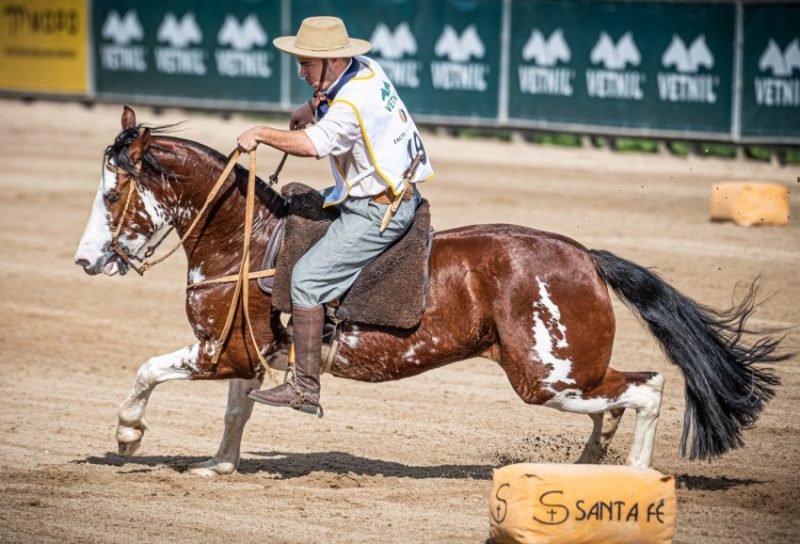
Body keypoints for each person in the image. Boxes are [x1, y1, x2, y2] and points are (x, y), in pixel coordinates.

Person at [238, 16, 434, 415]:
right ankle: (321, 329)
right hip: (385, 191)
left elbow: (314, 146)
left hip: (377, 210)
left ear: (332, 62)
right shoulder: (366, 70)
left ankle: (304, 389)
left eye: (307, 64)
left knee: (306, 280)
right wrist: (310, 106)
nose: (300, 71)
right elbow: (326, 109)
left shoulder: (348, 105)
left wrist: (262, 132)